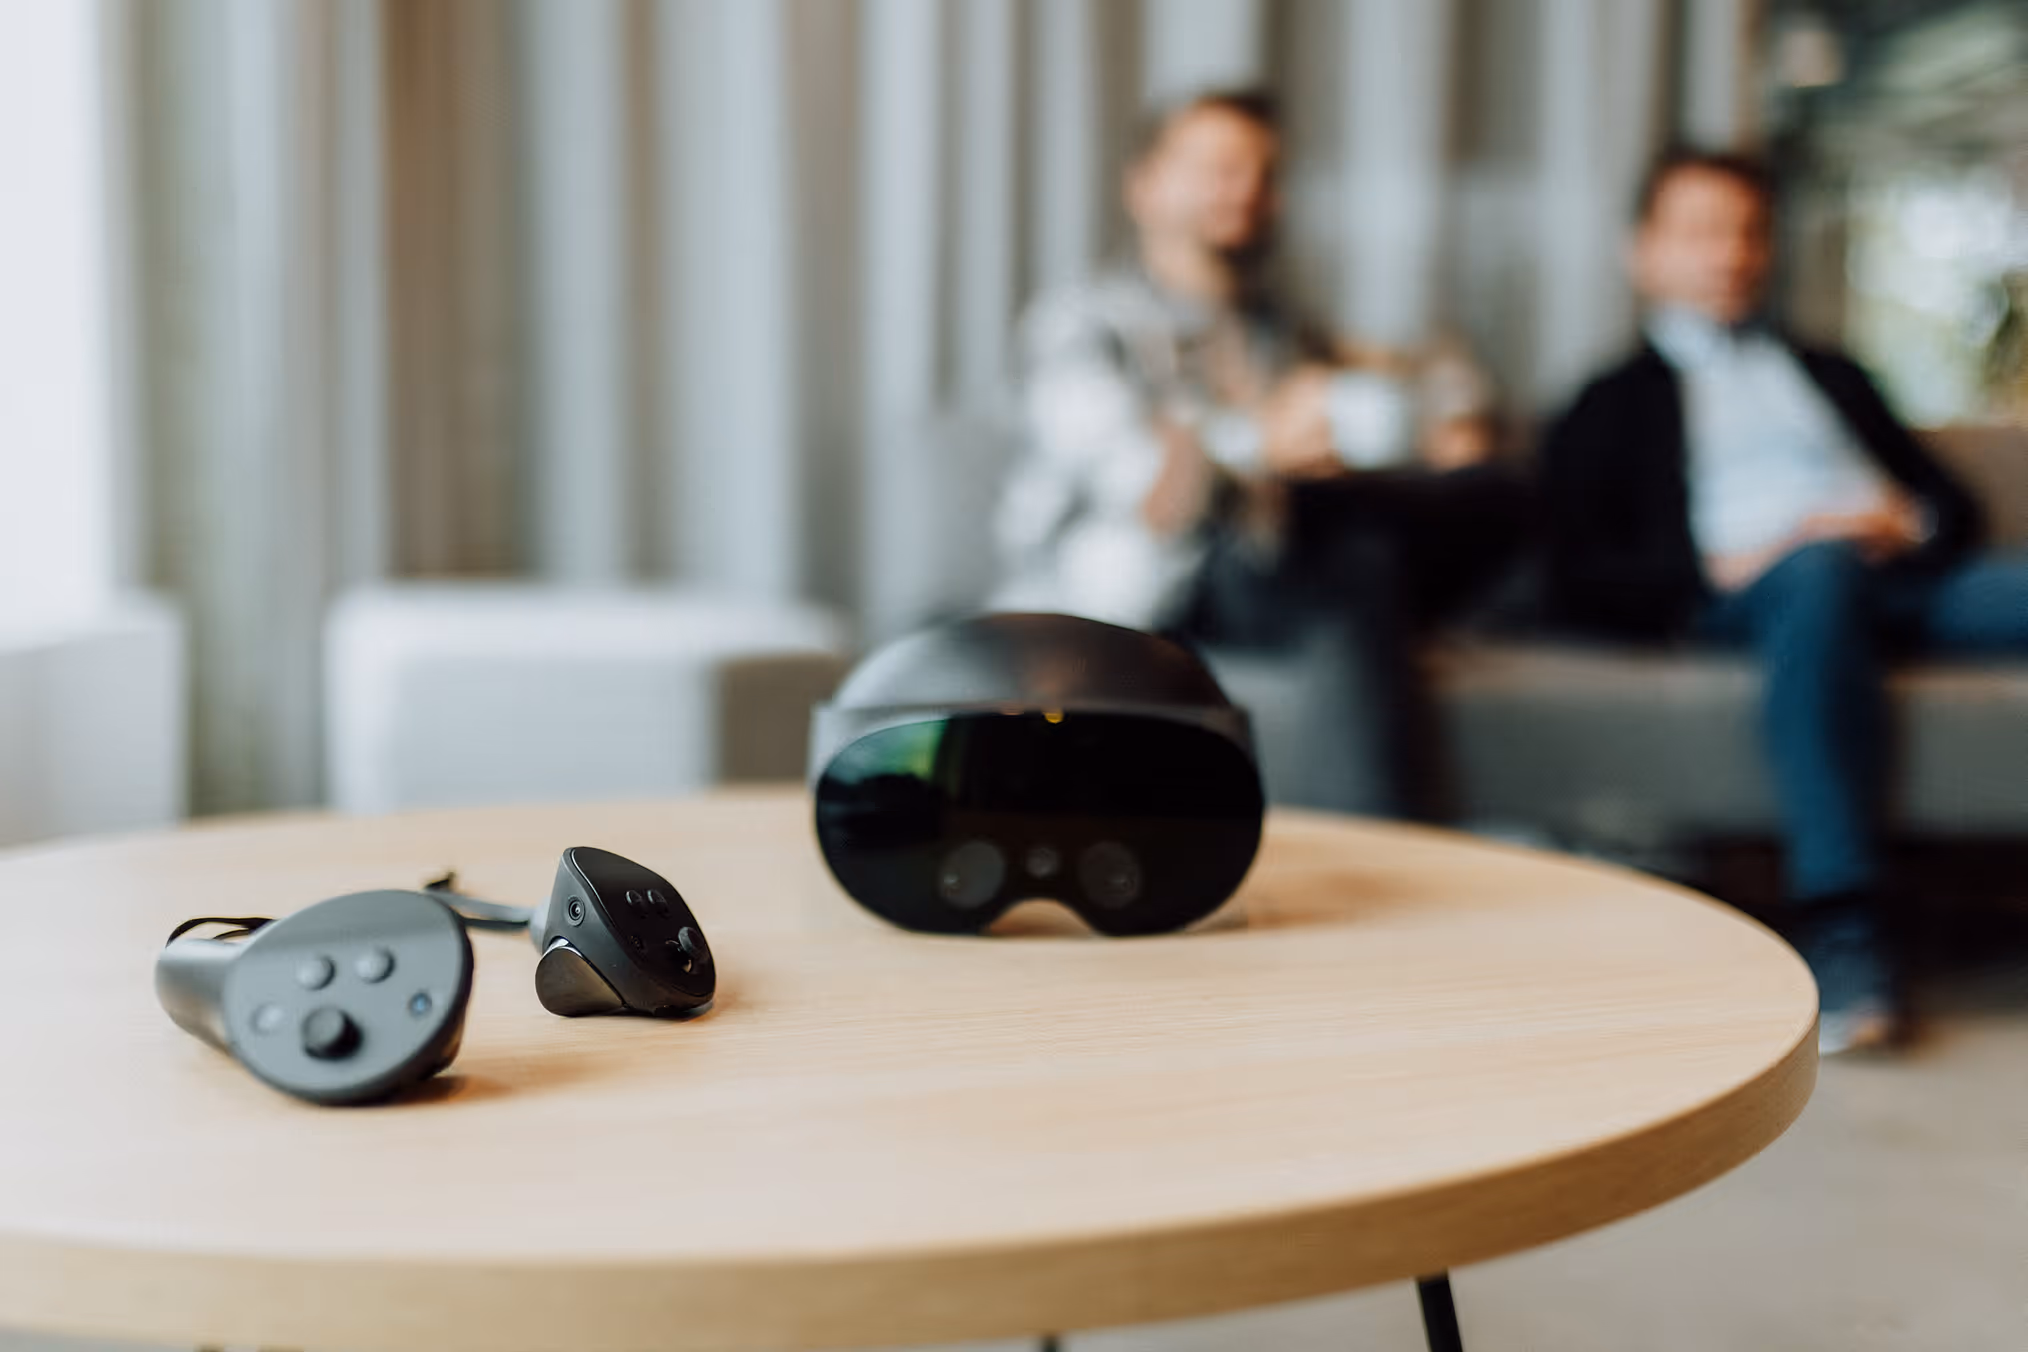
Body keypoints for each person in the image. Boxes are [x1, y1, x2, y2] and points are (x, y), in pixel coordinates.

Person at [1538, 147, 2028, 1053]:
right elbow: (1577, 573)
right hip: (1765, 589)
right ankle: (1844, 924)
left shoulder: (1830, 372)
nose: (1730, 254)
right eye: (1701, 233)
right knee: (1817, 575)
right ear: (1642, 252)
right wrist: (1720, 568)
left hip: (1899, 580)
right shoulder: (1608, 403)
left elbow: (1955, 507)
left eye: (1747, 232)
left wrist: (1905, 519)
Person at [993, 88, 1523, 820]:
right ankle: (1383, 826)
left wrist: (1446, 421)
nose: (1246, 190)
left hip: (1267, 559)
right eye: (1219, 167)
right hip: (1139, 584)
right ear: (1143, 186)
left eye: (1263, 172)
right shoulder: (1082, 325)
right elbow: (1152, 494)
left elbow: (1414, 377)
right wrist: (1258, 441)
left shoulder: (1277, 327)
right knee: (1358, 565)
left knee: (1475, 494)